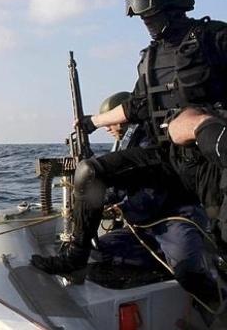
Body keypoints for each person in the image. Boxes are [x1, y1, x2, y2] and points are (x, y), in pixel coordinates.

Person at [31, 0, 227, 311]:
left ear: (173, 8)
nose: (146, 23)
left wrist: (207, 121)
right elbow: (137, 106)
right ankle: (75, 256)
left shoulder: (216, 38)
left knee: (208, 259)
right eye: (142, 17)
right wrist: (93, 121)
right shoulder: (150, 57)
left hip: (210, 160)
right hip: (166, 159)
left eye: (149, 15)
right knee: (89, 172)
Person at [87, 93, 215, 303]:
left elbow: (151, 195)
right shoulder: (123, 144)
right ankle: (159, 262)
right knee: (97, 251)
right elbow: (122, 186)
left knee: (187, 272)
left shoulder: (151, 141)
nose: (107, 127)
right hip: (144, 226)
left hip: (175, 218)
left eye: (111, 121)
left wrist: (121, 209)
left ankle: (215, 302)